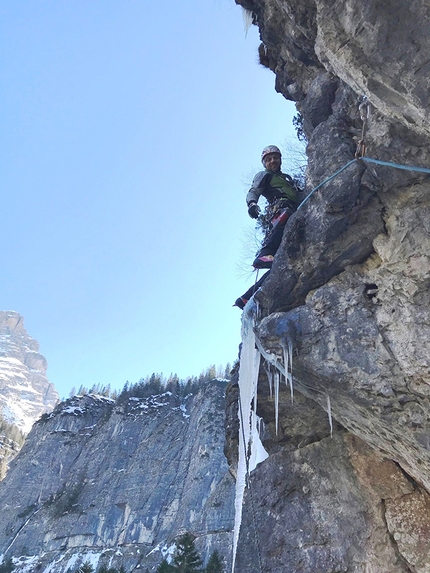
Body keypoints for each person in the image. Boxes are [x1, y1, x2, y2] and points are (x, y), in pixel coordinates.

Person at [234, 145, 300, 309]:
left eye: (275, 157)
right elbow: (254, 190)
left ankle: (247, 297)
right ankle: (264, 254)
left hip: (294, 207)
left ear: (280, 159)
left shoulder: (287, 179)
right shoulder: (264, 176)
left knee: (280, 263)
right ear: (264, 163)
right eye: (268, 159)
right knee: (286, 218)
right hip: (280, 209)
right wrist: (252, 204)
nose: (272, 161)